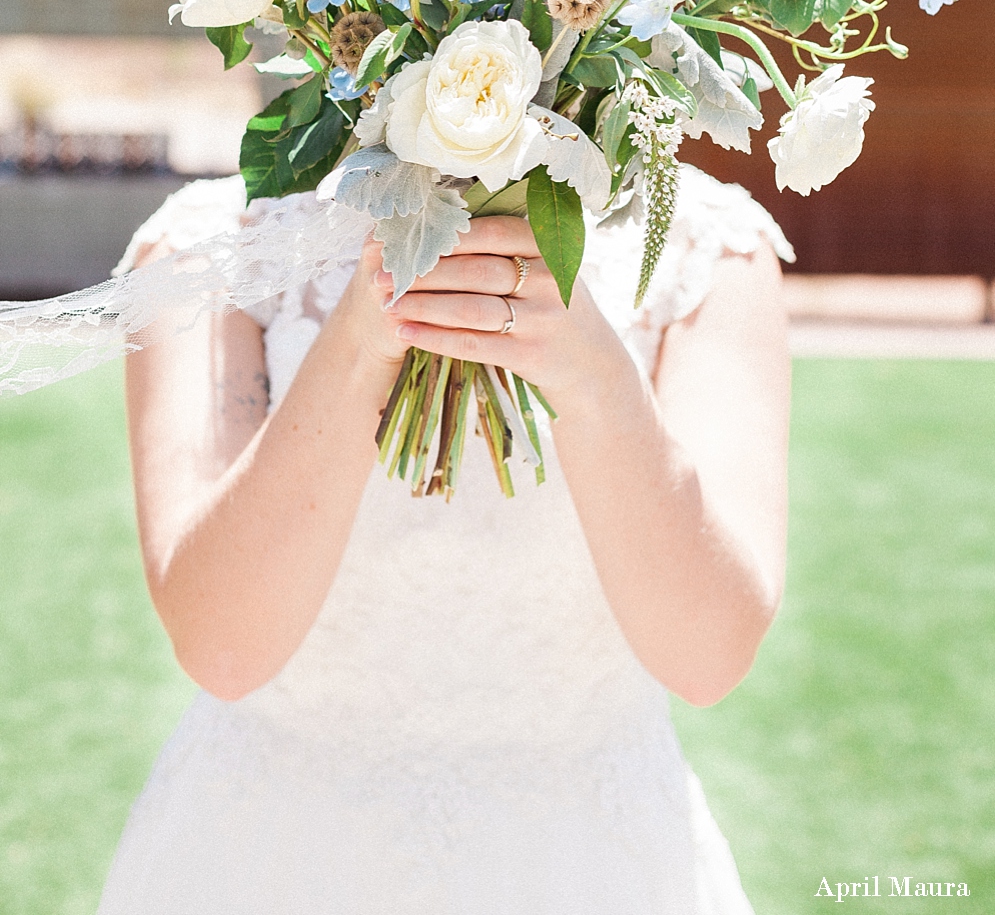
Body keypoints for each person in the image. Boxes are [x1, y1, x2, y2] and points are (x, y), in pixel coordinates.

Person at [92, 150, 793, 915]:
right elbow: (221, 646)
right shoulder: (208, 243)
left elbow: (708, 656)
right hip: (274, 857)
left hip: (585, 861)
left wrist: (594, 377)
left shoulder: (703, 245)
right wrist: (362, 335)